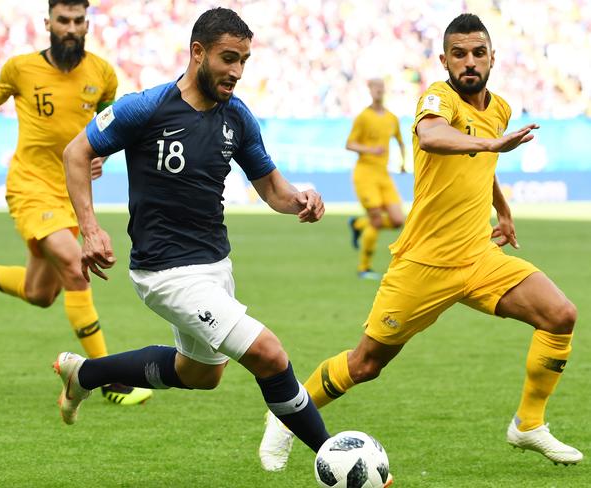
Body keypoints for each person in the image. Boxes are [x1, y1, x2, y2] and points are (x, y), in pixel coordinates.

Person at [259, 13, 583, 471]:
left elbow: (479, 164)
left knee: (560, 315)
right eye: (459, 54)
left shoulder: (500, 108)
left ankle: (528, 424)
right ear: (444, 60)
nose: (469, 62)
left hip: (479, 257)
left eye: (478, 53)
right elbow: (433, 137)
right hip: (424, 264)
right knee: (365, 364)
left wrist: (504, 211)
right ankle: (286, 417)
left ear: (492, 57)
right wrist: (492, 147)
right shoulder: (436, 98)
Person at [53, 7, 342, 473]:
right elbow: (76, 152)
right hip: (164, 272)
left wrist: (301, 199)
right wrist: (90, 228)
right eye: (229, 58)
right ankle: (338, 464)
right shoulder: (145, 107)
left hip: (214, 266)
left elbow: (272, 189)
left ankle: (85, 374)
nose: (237, 71)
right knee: (269, 354)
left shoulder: (239, 118)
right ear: (198, 52)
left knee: (201, 375)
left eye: (244, 60)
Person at [0, 0, 151, 406]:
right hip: (31, 186)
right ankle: (106, 377)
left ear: (86, 24)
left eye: (77, 21)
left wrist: (101, 154)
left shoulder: (102, 73)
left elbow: (111, 120)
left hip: (72, 193)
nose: (71, 28)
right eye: (63, 20)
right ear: (48, 23)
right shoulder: (21, 68)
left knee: (40, 293)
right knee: (76, 266)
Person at [346, 79, 406, 280]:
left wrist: (404, 163)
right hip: (365, 174)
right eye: (375, 88)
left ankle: (358, 225)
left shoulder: (391, 118)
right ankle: (364, 268)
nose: (379, 91)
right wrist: (370, 149)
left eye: (381, 87)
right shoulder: (363, 117)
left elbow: (400, 141)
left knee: (399, 220)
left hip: (384, 175)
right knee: (377, 219)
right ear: (370, 90)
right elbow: (350, 144)